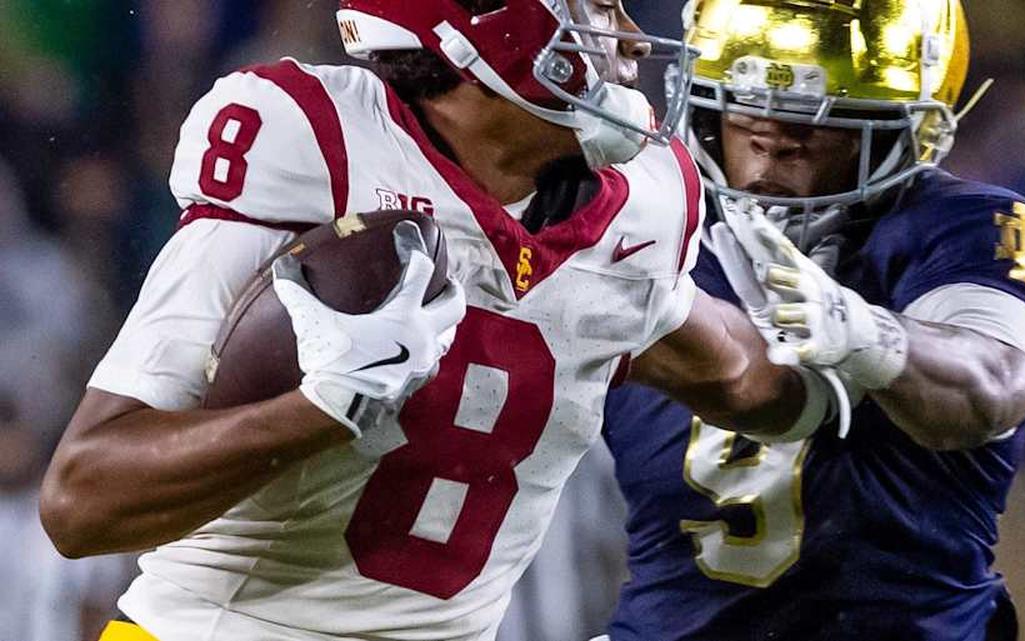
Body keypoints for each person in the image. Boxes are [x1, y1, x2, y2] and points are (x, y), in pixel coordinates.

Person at [38, 1, 843, 640]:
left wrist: (865, 357)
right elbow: (82, 502)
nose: (633, 41)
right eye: (600, 9)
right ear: (491, 24)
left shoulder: (645, 207)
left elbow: (738, 372)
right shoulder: (319, 149)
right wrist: (321, 408)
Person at [602, 1, 1025, 640]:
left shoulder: (967, 229)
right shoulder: (640, 225)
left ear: (911, 130)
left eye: (812, 123)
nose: (770, 142)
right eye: (742, 111)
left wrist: (868, 337)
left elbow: (990, 388)